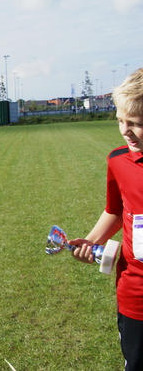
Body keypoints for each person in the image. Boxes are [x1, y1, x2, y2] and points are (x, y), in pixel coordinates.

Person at [69, 68, 143, 371]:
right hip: (136, 294)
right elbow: (114, 210)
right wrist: (92, 240)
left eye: (137, 123)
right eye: (120, 121)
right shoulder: (119, 161)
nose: (126, 131)